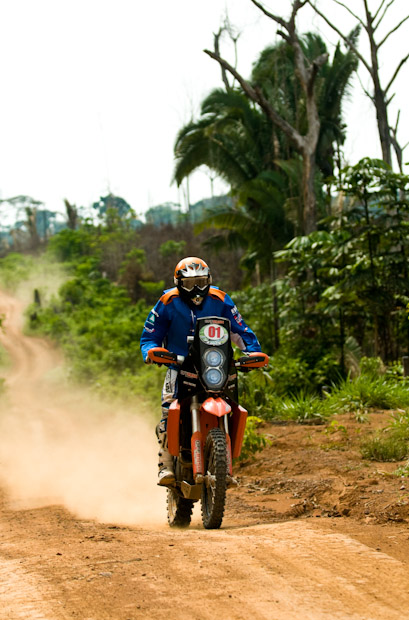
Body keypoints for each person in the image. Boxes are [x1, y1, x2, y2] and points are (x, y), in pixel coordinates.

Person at [140, 256, 262, 485]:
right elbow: (150, 335)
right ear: (178, 283)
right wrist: (151, 351)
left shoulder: (221, 299)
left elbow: (240, 330)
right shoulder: (167, 301)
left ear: (210, 279)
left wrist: (253, 351)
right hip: (179, 365)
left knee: (233, 405)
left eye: (201, 281)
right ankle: (165, 464)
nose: (196, 289)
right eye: (189, 283)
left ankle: (224, 462)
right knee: (168, 408)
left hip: (216, 365)